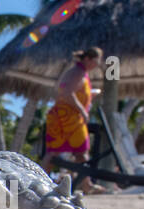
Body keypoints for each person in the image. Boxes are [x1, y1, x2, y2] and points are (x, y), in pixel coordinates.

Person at [42, 47, 106, 193]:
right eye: (96, 61)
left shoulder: (80, 73)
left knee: (80, 152)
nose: (97, 64)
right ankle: (40, 182)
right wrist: (82, 110)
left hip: (67, 117)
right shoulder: (77, 72)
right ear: (88, 59)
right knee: (55, 152)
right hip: (67, 117)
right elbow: (67, 93)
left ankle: (86, 184)